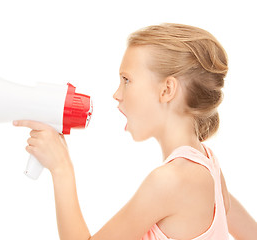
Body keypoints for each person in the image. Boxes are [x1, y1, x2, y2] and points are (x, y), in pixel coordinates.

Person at [13, 23, 257, 240]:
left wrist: (61, 168)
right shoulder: (208, 163)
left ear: (166, 90)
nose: (117, 94)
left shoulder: (170, 180)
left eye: (126, 80)